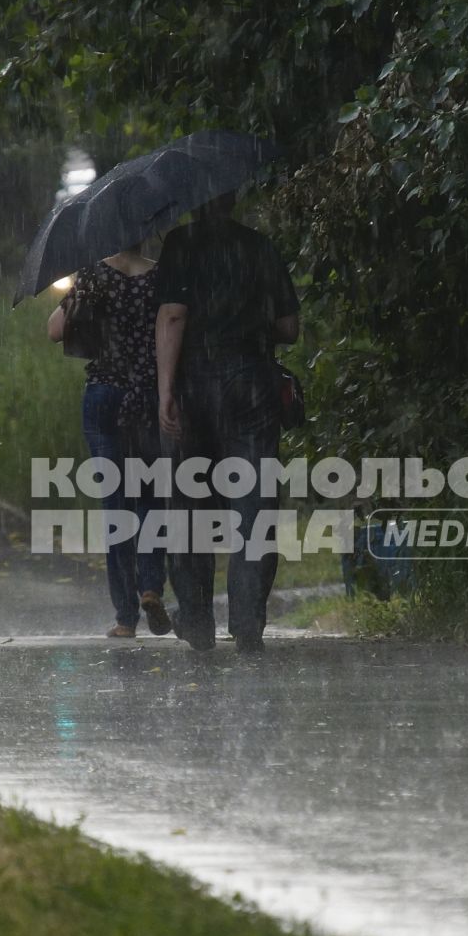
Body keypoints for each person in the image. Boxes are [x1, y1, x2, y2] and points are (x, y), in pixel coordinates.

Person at [155, 192, 300, 653]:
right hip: (251, 381)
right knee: (253, 504)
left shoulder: (180, 245)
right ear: (235, 197)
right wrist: (247, 319)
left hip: (195, 381)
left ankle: (197, 619)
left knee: (189, 503)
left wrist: (166, 390)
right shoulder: (259, 246)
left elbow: (173, 315)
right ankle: (247, 621)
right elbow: (290, 327)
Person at [48, 245, 172, 638]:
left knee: (115, 506)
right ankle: (151, 584)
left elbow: (55, 330)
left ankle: (125, 617)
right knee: (151, 498)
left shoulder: (93, 275)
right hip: (148, 397)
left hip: (104, 395)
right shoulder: (160, 275)